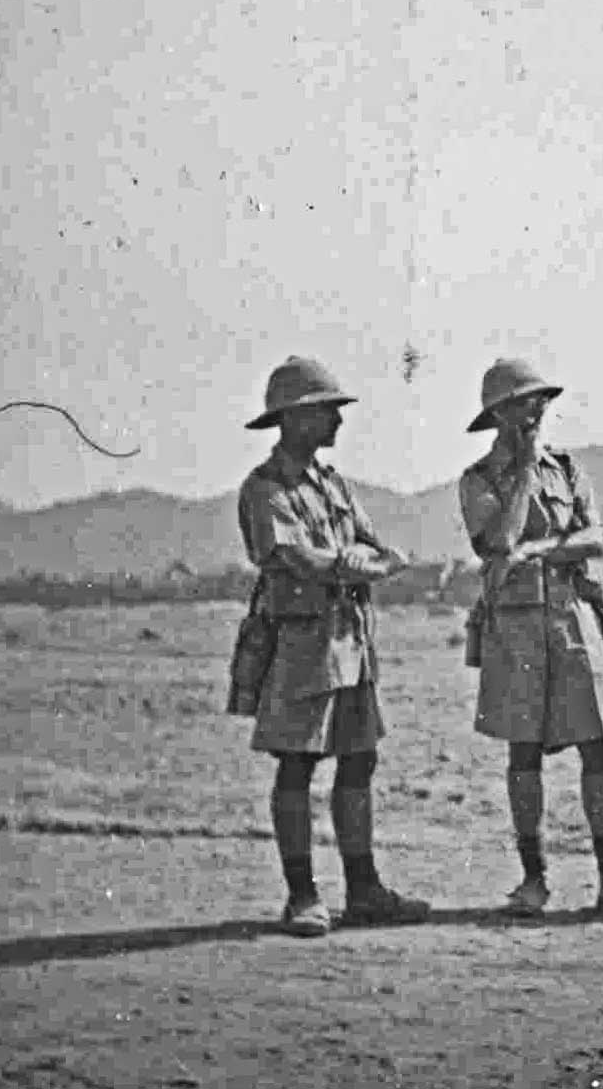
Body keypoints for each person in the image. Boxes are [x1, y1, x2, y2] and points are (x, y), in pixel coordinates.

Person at [458, 357, 603, 919]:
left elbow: (594, 536)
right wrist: (525, 472)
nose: (537, 411)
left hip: (572, 617)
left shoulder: (568, 468)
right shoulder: (478, 481)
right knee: (524, 751)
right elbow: (499, 542)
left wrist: (539, 550)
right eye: (524, 403)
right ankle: (533, 882)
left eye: (540, 402)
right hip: (515, 627)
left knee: (598, 747)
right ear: (499, 415)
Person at [236, 356, 430, 938]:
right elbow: (292, 558)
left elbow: (382, 551)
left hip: (351, 640)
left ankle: (364, 890)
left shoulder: (334, 484)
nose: (338, 421)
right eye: (327, 410)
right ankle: (301, 895)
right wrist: (352, 565)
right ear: (293, 419)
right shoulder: (264, 489)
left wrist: (353, 564)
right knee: (297, 765)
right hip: (300, 643)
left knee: (359, 761)